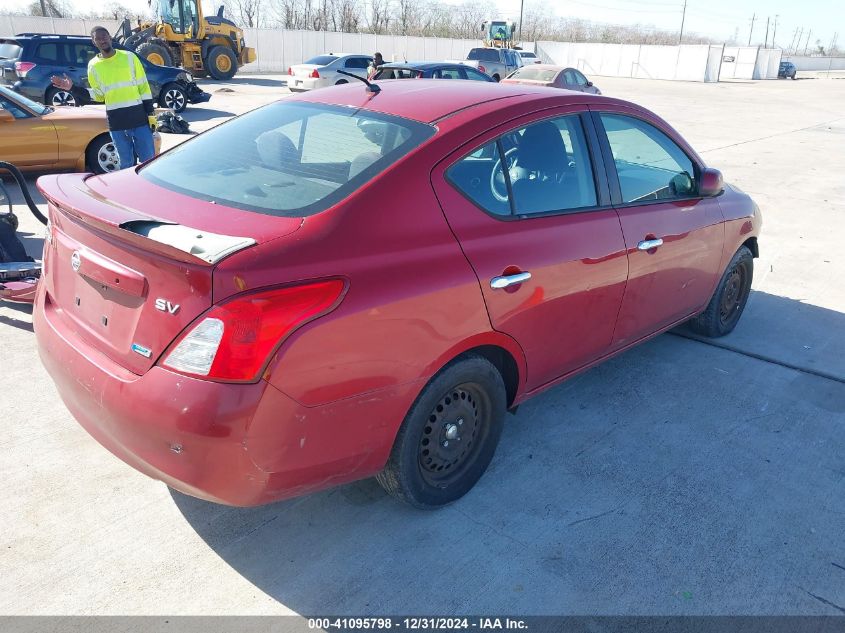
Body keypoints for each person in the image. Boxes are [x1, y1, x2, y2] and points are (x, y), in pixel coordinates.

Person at [51, 26, 156, 170]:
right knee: (126, 166)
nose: (102, 40)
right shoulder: (93, 66)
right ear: (94, 42)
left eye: (104, 36)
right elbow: (98, 95)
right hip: (117, 123)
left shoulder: (129, 57)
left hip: (139, 119)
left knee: (149, 163)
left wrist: (150, 114)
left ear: (110, 37)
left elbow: (143, 87)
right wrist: (72, 88)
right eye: (98, 38)